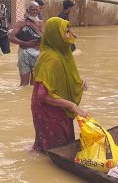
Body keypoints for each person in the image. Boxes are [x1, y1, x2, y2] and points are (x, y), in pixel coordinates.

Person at [31, 17, 89, 152]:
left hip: (59, 106)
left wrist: (80, 81)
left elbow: (61, 79)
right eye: (66, 32)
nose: (71, 35)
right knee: (54, 148)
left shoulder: (62, 53)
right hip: (48, 110)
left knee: (60, 144)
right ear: (55, 36)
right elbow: (42, 96)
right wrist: (72, 105)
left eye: (69, 31)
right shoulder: (51, 58)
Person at [9, 1, 44, 86]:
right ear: (28, 10)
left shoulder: (40, 22)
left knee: (34, 85)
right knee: (24, 84)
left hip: (37, 54)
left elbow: (44, 38)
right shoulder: (21, 22)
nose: (34, 12)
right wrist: (26, 43)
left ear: (39, 10)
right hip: (24, 53)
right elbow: (10, 37)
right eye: (32, 10)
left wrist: (34, 27)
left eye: (36, 10)